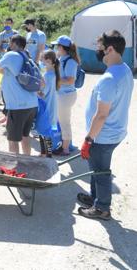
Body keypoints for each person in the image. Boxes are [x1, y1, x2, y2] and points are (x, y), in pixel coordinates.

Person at [78, 30, 134, 220]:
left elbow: (101, 115)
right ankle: (95, 198)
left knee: (101, 171)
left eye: (100, 48)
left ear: (110, 49)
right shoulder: (125, 69)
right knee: (96, 167)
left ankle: (102, 208)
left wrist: (88, 139)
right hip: (115, 131)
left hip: (103, 135)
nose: (98, 52)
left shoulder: (109, 79)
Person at [0, 35, 38, 155]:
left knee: (12, 140)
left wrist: (4, 66)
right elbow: (41, 81)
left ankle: (15, 168)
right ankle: (27, 161)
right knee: (25, 136)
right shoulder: (28, 58)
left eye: (10, 43)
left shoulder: (11, 55)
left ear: (14, 44)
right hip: (32, 104)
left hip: (18, 106)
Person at [51, 35, 79, 156]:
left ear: (62, 47)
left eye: (57, 46)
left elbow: (71, 80)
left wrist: (55, 79)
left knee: (64, 122)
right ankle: (65, 145)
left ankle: (65, 149)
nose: (56, 48)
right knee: (62, 121)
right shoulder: (62, 58)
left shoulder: (70, 61)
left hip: (66, 96)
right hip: (63, 95)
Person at [0, 17, 18, 123]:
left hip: (14, 62)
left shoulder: (16, 33)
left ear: (12, 23)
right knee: (3, 86)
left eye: (9, 22)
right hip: (3, 62)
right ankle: (6, 113)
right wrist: (4, 50)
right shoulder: (1, 35)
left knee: (14, 87)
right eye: (5, 23)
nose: (7, 24)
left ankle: (13, 113)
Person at [37, 49, 60, 157]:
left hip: (46, 108)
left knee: (44, 132)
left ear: (49, 61)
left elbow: (43, 93)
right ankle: (44, 153)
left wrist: (34, 91)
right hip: (52, 107)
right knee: (46, 131)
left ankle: (48, 155)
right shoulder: (53, 74)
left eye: (42, 60)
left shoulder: (47, 76)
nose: (41, 62)